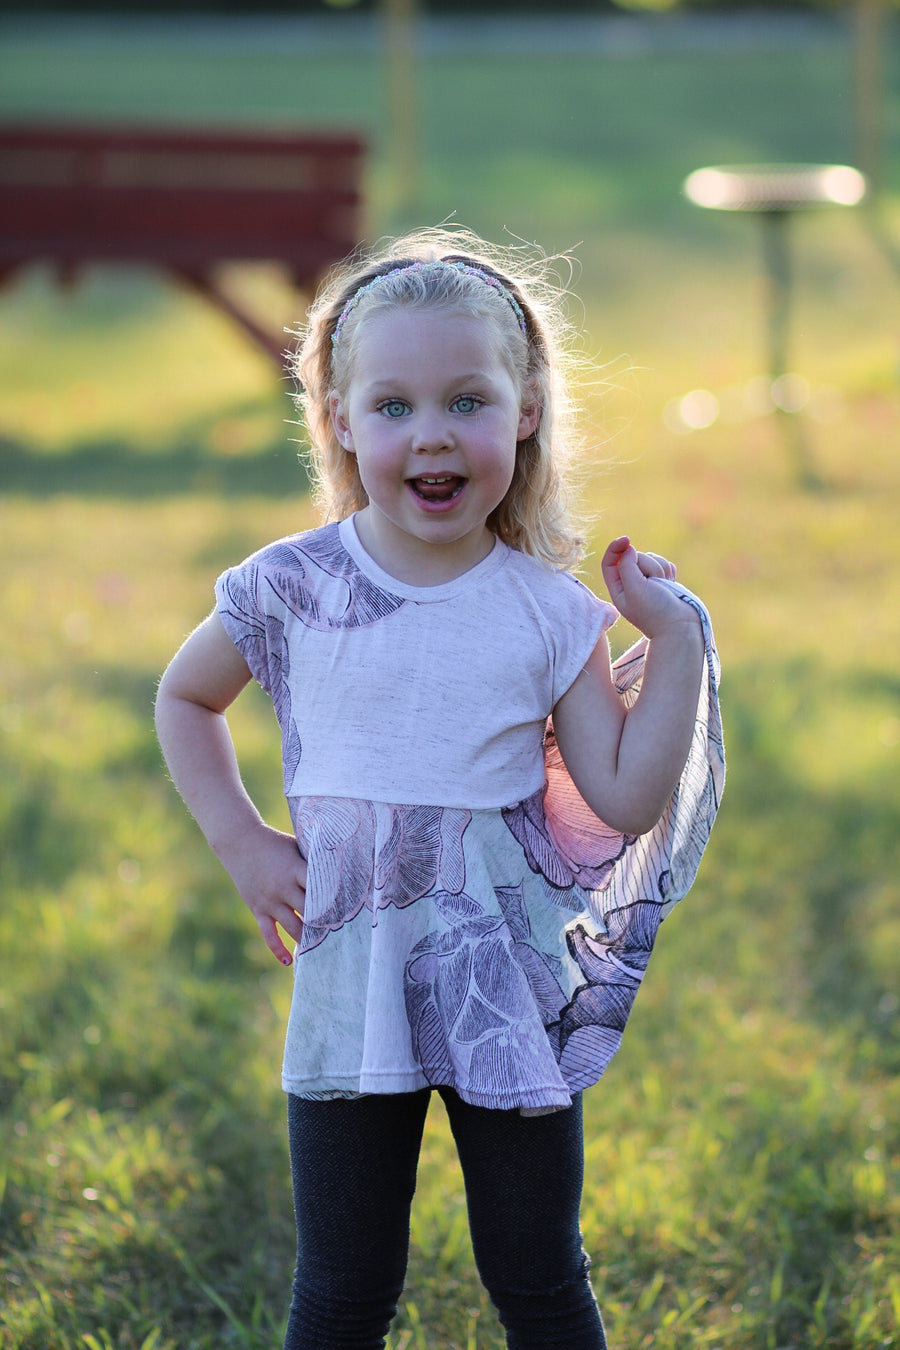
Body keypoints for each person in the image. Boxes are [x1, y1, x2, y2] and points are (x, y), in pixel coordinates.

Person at [154, 226, 725, 1350]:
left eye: (467, 401)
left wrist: (677, 644)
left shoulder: (549, 615)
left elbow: (623, 797)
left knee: (541, 1278)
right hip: (349, 990)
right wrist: (245, 843)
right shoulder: (293, 587)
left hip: (501, 992)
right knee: (343, 1291)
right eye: (395, 407)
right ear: (341, 422)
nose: (433, 436)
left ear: (524, 410)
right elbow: (185, 699)